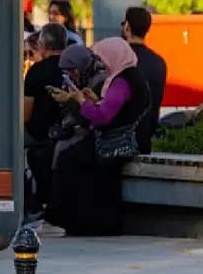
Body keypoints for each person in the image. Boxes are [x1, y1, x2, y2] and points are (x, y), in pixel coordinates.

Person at [49, 38, 150, 236]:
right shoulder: (129, 77)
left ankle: (77, 221)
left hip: (114, 140)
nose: (102, 64)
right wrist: (95, 100)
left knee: (69, 160)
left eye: (104, 59)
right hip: (119, 136)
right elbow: (111, 109)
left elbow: (103, 117)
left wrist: (79, 100)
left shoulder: (122, 82)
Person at [21, 23, 67, 224]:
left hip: (38, 134)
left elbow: (26, 113)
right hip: (66, 132)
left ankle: (32, 205)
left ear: (42, 45)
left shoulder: (36, 72)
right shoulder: (72, 67)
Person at [121, 7, 167, 154]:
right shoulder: (159, 62)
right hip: (146, 137)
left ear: (127, 26)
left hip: (118, 139)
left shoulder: (117, 58)